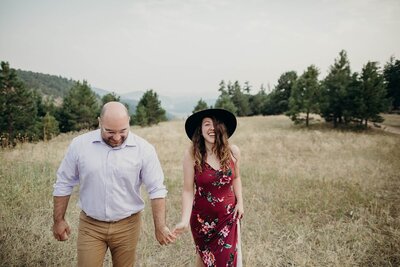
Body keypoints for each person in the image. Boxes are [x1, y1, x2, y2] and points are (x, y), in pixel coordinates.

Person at [52, 101, 176, 267]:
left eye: (123, 131)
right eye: (110, 131)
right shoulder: (79, 145)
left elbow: (156, 190)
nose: (117, 138)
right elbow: (63, 183)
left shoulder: (144, 149)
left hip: (128, 226)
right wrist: (58, 220)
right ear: (99, 122)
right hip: (90, 226)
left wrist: (160, 227)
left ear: (129, 121)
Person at [174, 108, 244, 267]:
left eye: (216, 124)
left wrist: (240, 202)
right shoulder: (192, 154)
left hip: (228, 218)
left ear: (222, 128)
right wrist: (184, 220)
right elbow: (187, 190)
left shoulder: (232, 151)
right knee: (205, 260)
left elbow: (237, 178)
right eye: (207, 124)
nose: (211, 128)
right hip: (202, 221)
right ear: (200, 129)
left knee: (225, 260)